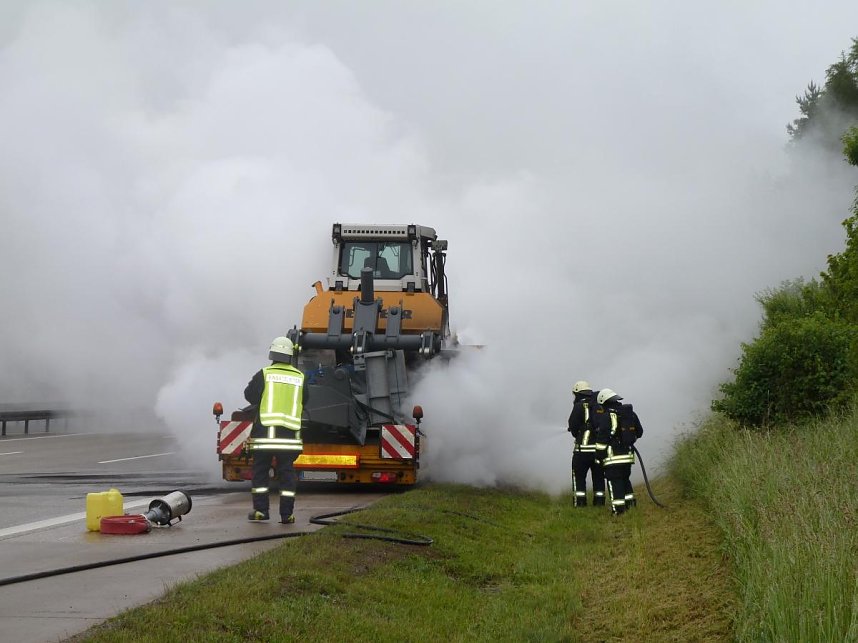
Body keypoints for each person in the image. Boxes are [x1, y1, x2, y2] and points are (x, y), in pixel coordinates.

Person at [243, 336, 308, 524]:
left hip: (264, 437)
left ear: (272, 353)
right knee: (287, 474)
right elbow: (305, 400)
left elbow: (249, 395)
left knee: (260, 473)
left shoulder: (264, 374)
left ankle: (261, 511)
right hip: (289, 438)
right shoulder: (299, 377)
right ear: (290, 355)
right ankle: (287, 515)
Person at [593, 388, 643, 515]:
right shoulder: (630, 414)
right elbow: (640, 432)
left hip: (612, 458)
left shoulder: (606, 417)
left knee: (614, 483)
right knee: (625, 480)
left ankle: (618, 511)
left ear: (604, 402)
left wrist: (598, 457)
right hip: (628, 457)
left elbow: (601, 441)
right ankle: (630, 506)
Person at [567, 380, 605, 507]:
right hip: (598, 451)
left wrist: (577, 432)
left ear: (578, 393)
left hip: (582, 452)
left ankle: (580, 503)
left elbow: (572, 425)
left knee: (579, 478)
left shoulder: (579, 406)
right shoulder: (599, 406)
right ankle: (599, 503)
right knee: (599, 477)